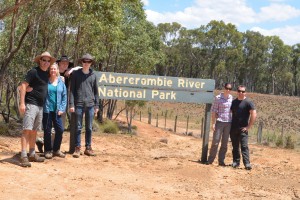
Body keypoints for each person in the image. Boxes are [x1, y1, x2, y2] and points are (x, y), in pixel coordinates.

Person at [18, 51, 56, 167]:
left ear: (50, 62)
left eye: (48, 61)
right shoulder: (33, 72)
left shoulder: (47, 74)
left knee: (34, 130)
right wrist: (22, 103)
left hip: (40, 106)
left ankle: (32, 153)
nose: (45, 62)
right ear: (40, 60)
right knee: (27, 129)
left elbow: (56, 76)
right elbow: (23, 86)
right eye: (43, 60)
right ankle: (24, 155)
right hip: (30, 104)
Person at [69, 53, 99, 158]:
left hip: (90, 105)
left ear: (91, 63)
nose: (86, 63)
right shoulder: (76, 74)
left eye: (89, 62)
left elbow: (96, 92)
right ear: (82, 62)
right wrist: (71, 104)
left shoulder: (93, 75)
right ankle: (77, 148)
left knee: (89, 127)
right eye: (85, 61)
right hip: (78, 104)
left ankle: (88, 147)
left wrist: (97, 105)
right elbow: (72, 90)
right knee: (78, 127)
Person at [42, 63, 67, 159]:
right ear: (49, 70)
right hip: (47, 110)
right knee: (47, 131)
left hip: (57, 111)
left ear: (57, 70)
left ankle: (56, 149)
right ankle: (47, 150)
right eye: (51, 69)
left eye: (54, 69)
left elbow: (64, 96)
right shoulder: (45, 81)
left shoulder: (61, 82)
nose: (53, 71)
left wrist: (62, 108)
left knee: (60, 130)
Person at [230, 85, 257, 170]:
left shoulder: (248, 102)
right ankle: (236, 162)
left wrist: (249, 126)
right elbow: (230, 113)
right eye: (239, 91)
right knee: (235, 146)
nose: (240, 93)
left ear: (245, 92)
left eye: (242, 91)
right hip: (233, 128)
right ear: (237, 91)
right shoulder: (234, 102)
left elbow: (254, 114)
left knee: (244, 146)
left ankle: (247, 164)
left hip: (243, 129)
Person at [206, 83, 233, 166]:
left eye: (230, 89)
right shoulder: (218, 98)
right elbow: (213, 111)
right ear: (224, 88)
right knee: (215, 141)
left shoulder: (231, 98)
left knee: (224, 143)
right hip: (219, 122)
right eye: (227, 88)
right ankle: (210, 160)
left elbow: (231, 110)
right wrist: (213, 123)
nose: (228, 90)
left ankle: (221, 161)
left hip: (228, 123)